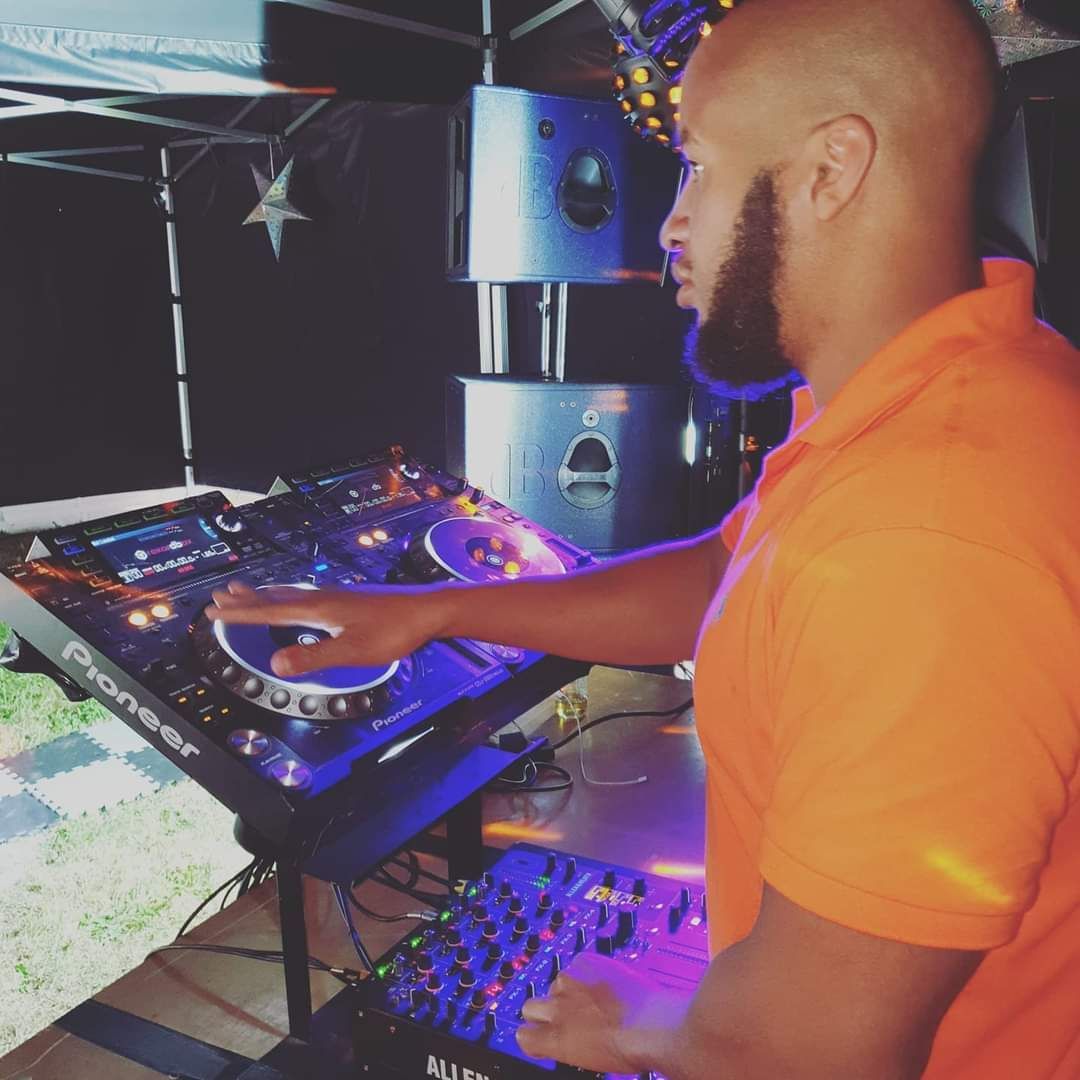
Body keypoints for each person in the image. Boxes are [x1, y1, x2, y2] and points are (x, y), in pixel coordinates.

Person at [208, 0, 1080, 1075]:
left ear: (832, 168)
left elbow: (806, 1052)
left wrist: (628, 1024)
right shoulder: (971, 382)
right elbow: (727, 572)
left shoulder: (928, 535)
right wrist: (433, 609)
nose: (671, 226)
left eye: (698, 167)